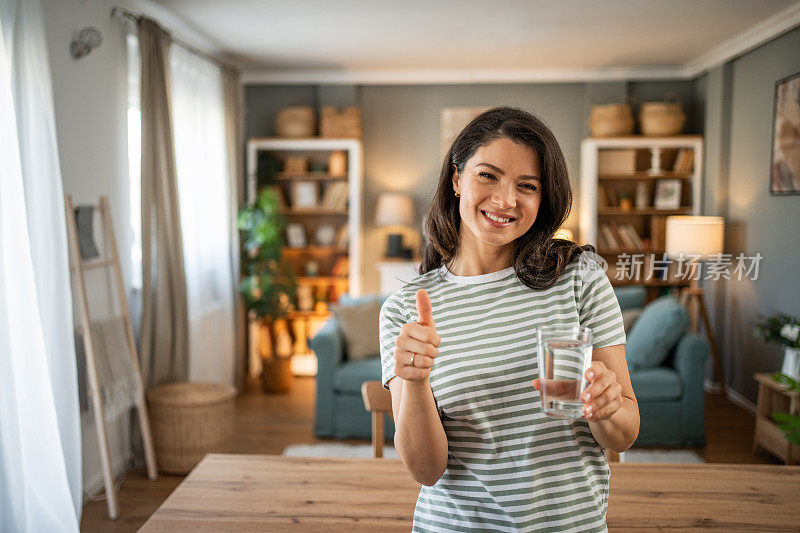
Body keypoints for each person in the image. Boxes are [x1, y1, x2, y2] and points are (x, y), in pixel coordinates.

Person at [378, 106, 640, 532]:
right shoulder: (407, 308)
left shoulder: (579, 278)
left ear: (544, 197)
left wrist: (605, 409)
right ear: (456, 179)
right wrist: (416, 380)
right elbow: (426, 471)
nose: (505, 200)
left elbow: (624, 434)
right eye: (488, 175)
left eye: (527, 185)